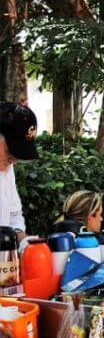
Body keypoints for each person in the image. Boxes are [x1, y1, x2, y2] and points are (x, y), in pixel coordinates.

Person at [0, 103, 38, 248]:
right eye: (10, 151)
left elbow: (14, 217)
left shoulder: (7, 170)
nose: (14, 161)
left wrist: (26, 244)